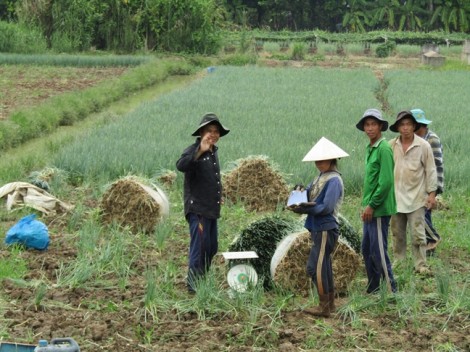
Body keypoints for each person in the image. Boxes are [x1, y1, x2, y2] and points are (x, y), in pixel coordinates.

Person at [288, 137, 349, 317]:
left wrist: (307, 207)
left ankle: (324, 306)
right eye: (317, 161)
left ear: (331, 160)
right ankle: (329, 305)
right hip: (318, 228)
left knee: (316, 268)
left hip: (325, 228)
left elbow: (327, 207)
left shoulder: (334, 180)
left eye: (322, 160)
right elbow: (306, 194)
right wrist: (297, 198)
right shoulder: (320, 178)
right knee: (324, 267)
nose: (319, 164)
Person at [176, 113, 230, 293]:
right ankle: (194, 287)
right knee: (199, 247)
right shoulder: (193, 150)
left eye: (216, 132)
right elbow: (182, 165)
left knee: (211, 246)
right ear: (201, 132)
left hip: (210, 209)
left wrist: (218, 195)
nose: (213, 135)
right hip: (198, 209)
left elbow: (212, 178)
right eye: (209, 131)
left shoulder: (213, 152)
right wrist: (200, 149)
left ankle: (201, 279)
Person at [388, 110, 437, 275]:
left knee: (418, 233)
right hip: (395, 198)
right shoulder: (391, 146)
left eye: (409, 124)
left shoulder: (423, 146)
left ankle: (421, 264)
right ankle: (399, 262)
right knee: (397, 233)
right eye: (402, 124)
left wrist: (431, 194)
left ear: (414, 126)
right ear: (398, 128)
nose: (405, 128)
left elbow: (430, 171)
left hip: (416, 197)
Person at [356, 109, 397, 293]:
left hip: (379, 210)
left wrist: (371, 205)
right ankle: (373, 287)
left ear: (380, 126)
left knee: (379, 251)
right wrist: (365, 205)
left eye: (373, 124)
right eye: (367, 124)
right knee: (366, 249)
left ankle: (391, 290)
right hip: (370, 209)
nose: (370, 128)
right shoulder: (370, 148)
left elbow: (386, 182)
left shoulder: (384, 148)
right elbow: (371, 181)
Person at [411, 108, 443, 254]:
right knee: (423, 213)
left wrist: (434, 189)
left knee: (422, 213)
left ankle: (433, 238)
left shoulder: (432, 139)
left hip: (429, 183)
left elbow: (437, 165)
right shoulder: (414, 139)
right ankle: (428, 247)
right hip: (417, 183)